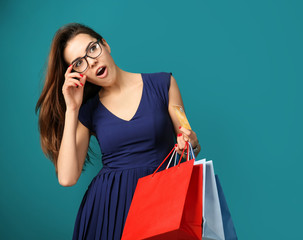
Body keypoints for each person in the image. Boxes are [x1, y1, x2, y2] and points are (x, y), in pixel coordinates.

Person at [35, 22, 201, 239]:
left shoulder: (164, 84)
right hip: (110, 210)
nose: (92, 61)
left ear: (105, 45)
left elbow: (187, 135)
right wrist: (72, 109)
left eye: (92, 49)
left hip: (162, 204)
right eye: (79, 63)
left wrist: (191, 141)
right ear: (76, 74)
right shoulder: (87, 111)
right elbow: (67, 178)